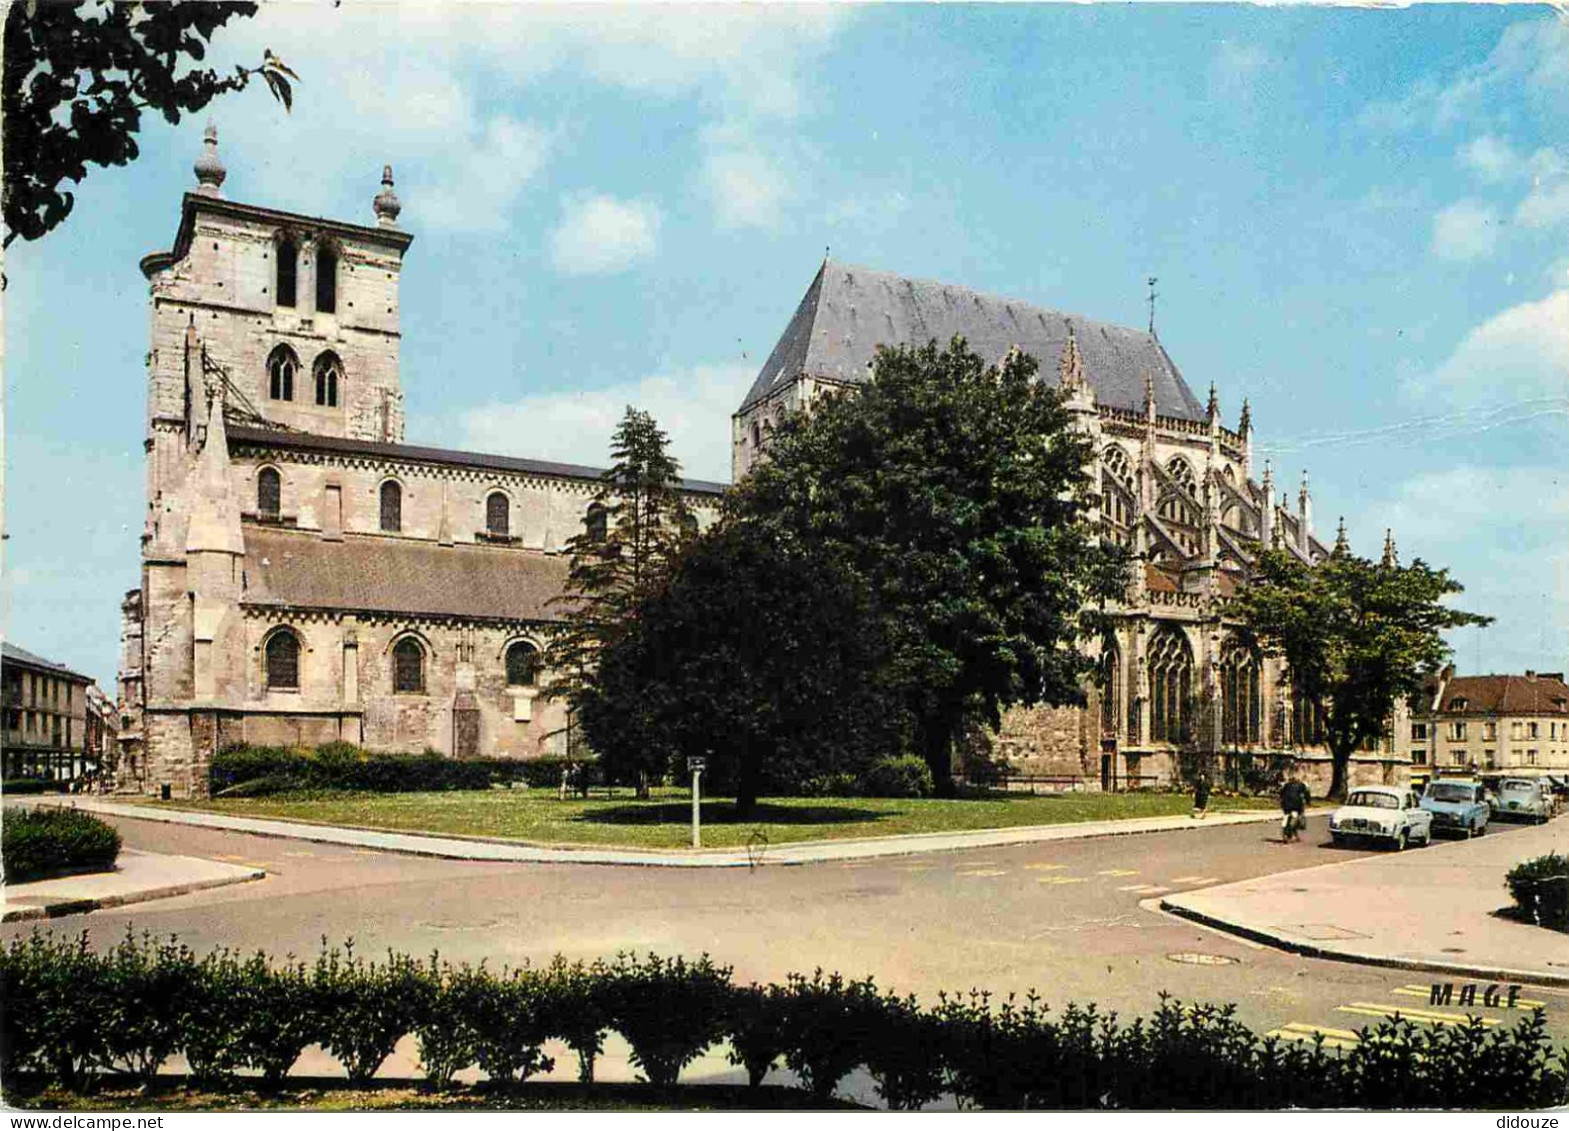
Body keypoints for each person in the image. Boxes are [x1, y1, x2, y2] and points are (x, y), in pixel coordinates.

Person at [1280, 772, 1310, 842]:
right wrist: (1308, 802)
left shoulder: (1286, 785)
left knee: (1286, 817)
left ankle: (1292, 835)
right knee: (1297, 819)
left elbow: (1281, 794)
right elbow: (1307, 794)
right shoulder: (1302, 785)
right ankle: (1289, 834)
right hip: (1296, 805)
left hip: (1286, 805)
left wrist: (1282, 802)